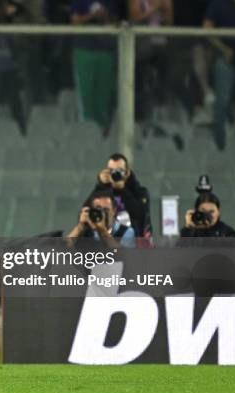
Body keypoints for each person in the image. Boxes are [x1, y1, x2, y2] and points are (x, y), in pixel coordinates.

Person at [70, 0, 120, 134]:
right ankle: (87, 133)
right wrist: (92, 16)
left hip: (106, 51)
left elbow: (115, 23)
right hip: (85, 50)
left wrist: (105, 17)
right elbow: (74, 21)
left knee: (103, 95)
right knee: (86, 95)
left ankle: (103, 132)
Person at [83, 153, 152, 240]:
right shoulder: (103, 192)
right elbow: (86, 215)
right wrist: (100, 184)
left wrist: (122, 189)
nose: (115, 174)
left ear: (127, 173)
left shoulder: (139, 192)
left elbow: (140, 216)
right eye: (111, 170)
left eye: (119, 171)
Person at [204, 0, 235, 150]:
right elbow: (207, 29)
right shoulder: (218, 3)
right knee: (222, 102)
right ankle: (220, 146)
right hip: (226, 59)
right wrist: (223, 49)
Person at [67, 190, 136, 248]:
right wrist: (79, 227)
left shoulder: (126, 232)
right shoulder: (87, 231)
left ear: (114, 211)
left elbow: (122, 256)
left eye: (106, 210)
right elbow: (63, 251)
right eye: (98, 210)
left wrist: (103, 231)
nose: (102, 214)